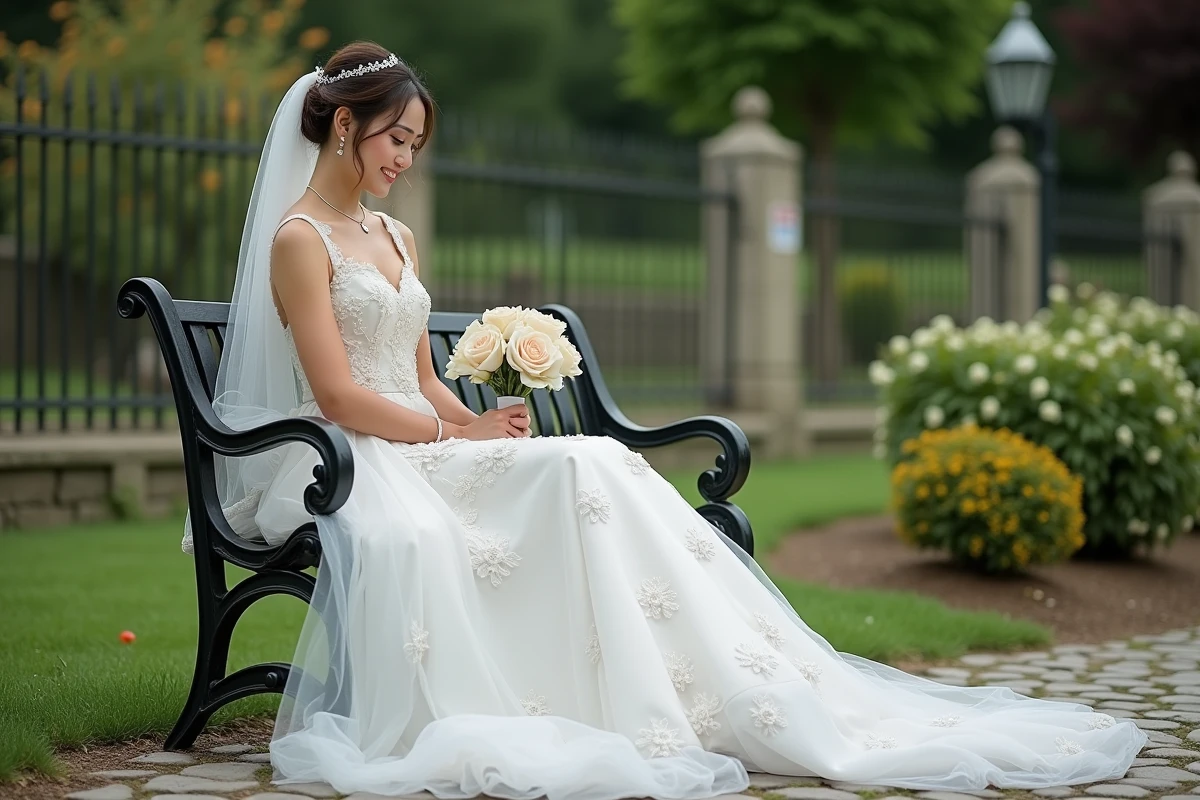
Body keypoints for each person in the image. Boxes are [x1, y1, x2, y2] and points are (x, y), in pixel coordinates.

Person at [206, 39, 1145, 800]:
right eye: (394, 140)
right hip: (353, 455)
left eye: (415, 144)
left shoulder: (395, 236)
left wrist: (480, 417)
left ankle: (719, 682)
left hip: (423, 439)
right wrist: (457, 436)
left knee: (593, 461)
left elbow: (419, 378)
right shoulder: (301, 240)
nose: (405, 160)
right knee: (584, 469)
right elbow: (336, 396)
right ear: (343, 126)